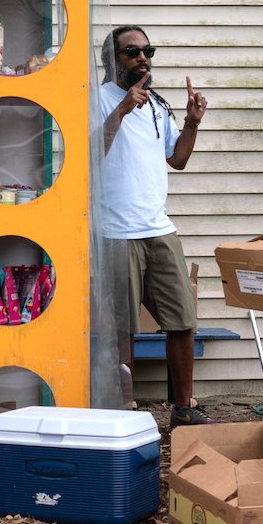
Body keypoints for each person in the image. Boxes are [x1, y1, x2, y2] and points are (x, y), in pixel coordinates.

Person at [97, 25, 211, 426]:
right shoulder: (97, 99)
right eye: (133, 52)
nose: (143, 58)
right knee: (121, 328)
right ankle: (124, 410)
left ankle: (184, 408)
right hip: (115, 232)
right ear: (112, 59)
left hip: (158, 228)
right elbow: (90, 154)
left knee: (182, 319)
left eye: (148, 50)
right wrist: (123, 108)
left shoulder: (157, 105)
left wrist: (192, 123)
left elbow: (176, 160)